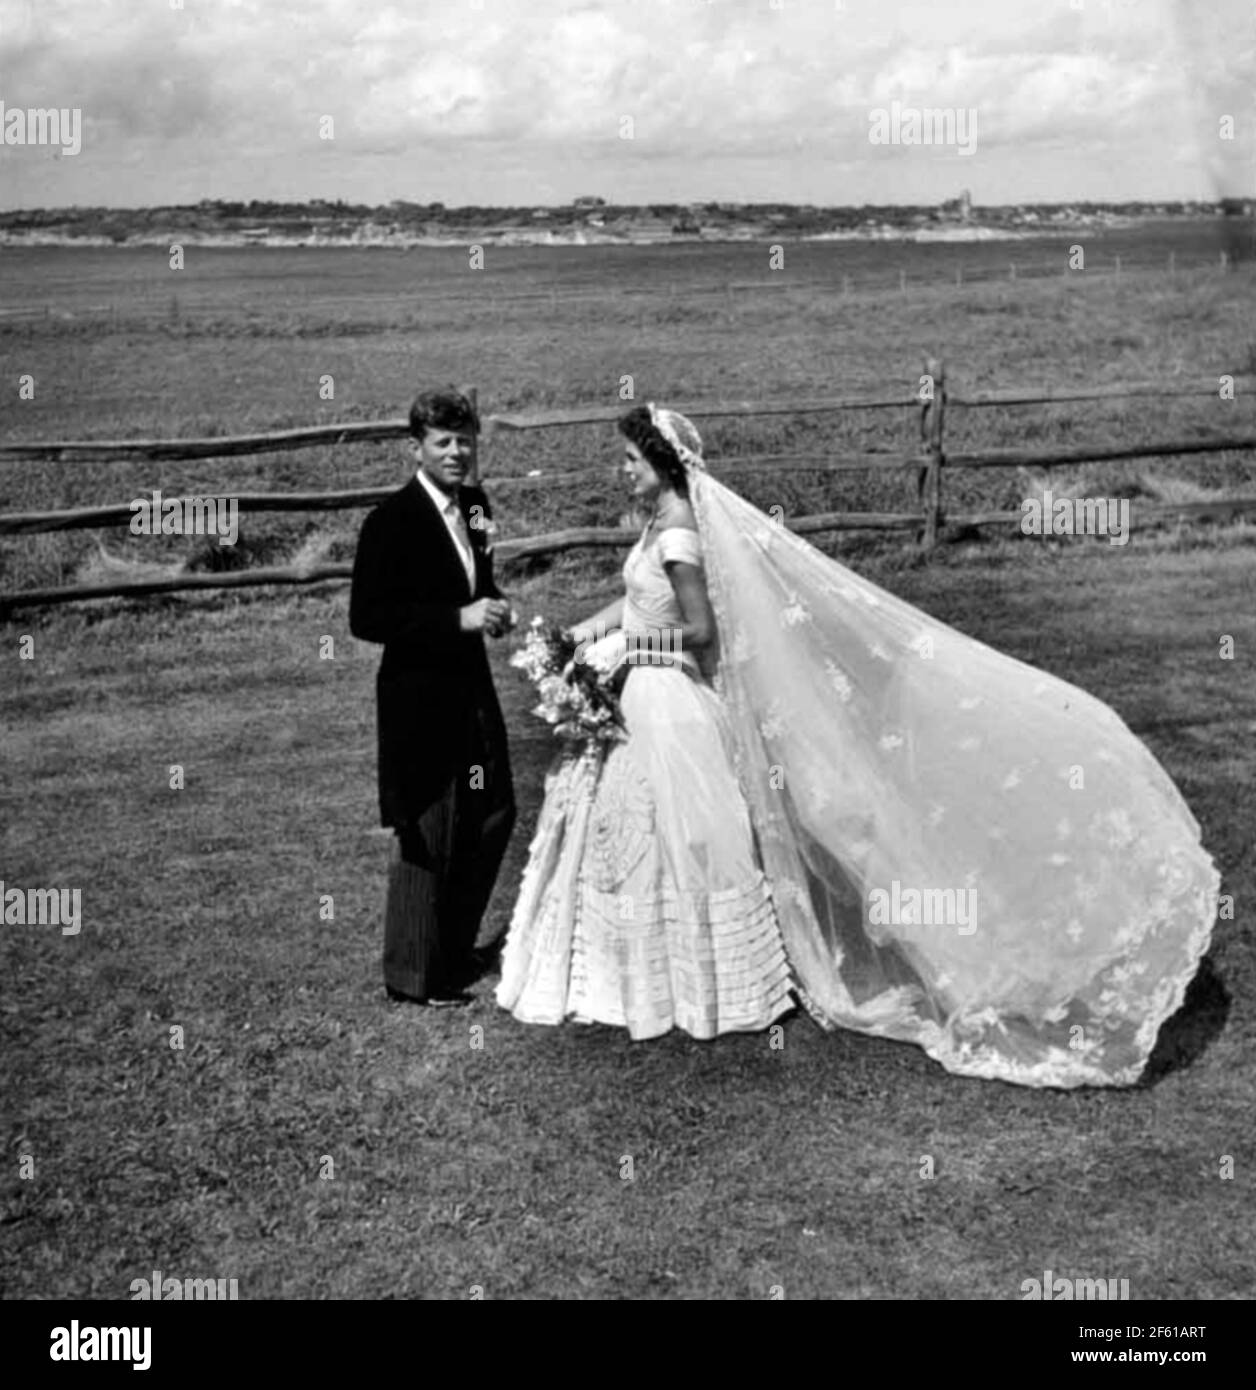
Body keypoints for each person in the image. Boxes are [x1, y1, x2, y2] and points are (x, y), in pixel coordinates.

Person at [497, 404, 1221, 1087]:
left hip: (668, 693)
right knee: (639, 829)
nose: (622, 471)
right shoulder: (656, 523)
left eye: (631, 460)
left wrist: (627, 649)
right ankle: (644, 975)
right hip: (644, 689)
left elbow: (700, 632)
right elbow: (635, 598)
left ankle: (708, 979)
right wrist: (580, 636)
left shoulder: (681, 529)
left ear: (662, 463)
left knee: (685, 833)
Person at [350, 387, 516, 1005]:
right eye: (443, 442)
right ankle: (414, 974)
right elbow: (366, 619)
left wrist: (494, 608)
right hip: (419, 700)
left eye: (465, 440)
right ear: (415, 447)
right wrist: (455, 619)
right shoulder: (390, 521)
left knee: (494, 809)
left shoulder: (476, 505)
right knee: (430, 823)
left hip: (472, 687)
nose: (457, 453)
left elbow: (481, 579)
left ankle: (452, 946)